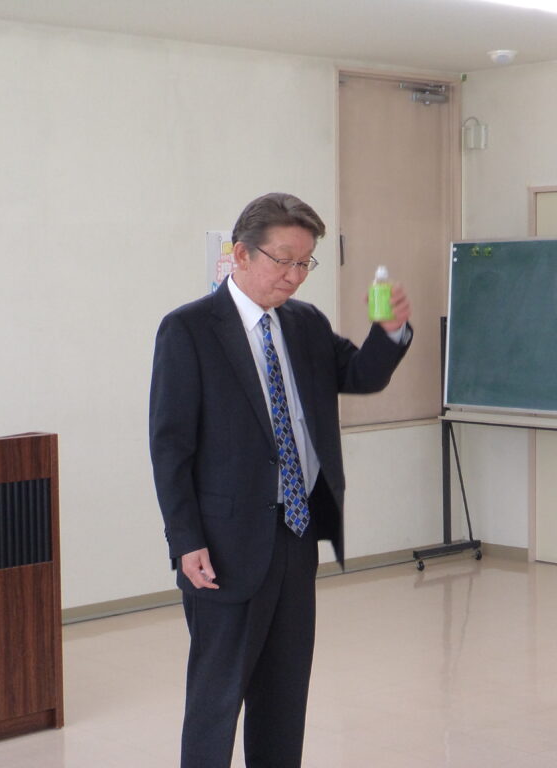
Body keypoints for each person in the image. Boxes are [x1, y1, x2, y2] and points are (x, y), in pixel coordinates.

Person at [149, 192, 412, 767]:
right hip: (223, 546)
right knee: (217, 700)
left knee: (284, 697)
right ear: (242, 254)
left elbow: (360, 376)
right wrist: (185, 540)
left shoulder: (305, 323)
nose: (294, 276)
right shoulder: (189, 330)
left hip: (296, 534)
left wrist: (389, 333)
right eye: (283, 260)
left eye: (304, 263)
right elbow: (170, 447)